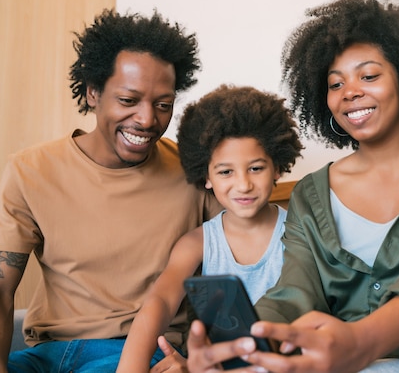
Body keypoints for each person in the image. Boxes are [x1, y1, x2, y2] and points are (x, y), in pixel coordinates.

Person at [183, 0, 399, 373]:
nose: (350, 92)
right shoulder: (311, 194)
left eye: (368, 76)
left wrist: (359, 343)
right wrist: (242, 346)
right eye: (336, 84)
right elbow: (294, 292)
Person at [0, 9, 222, 373]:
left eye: (163, 105)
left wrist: (198, 361)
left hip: (138, 353)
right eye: (129, 101)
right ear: (93, 93)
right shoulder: (29, 171)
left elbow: (240, 274)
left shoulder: (196, 173)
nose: (147, 120)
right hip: (45, 355)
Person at [116, 84, 303, 372]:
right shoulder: (197, 243)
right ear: (206, 176)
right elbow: (161, 302)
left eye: (256, 168)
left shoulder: (299, 232)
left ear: (277, 167)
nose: (243, 184)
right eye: (226, 171)